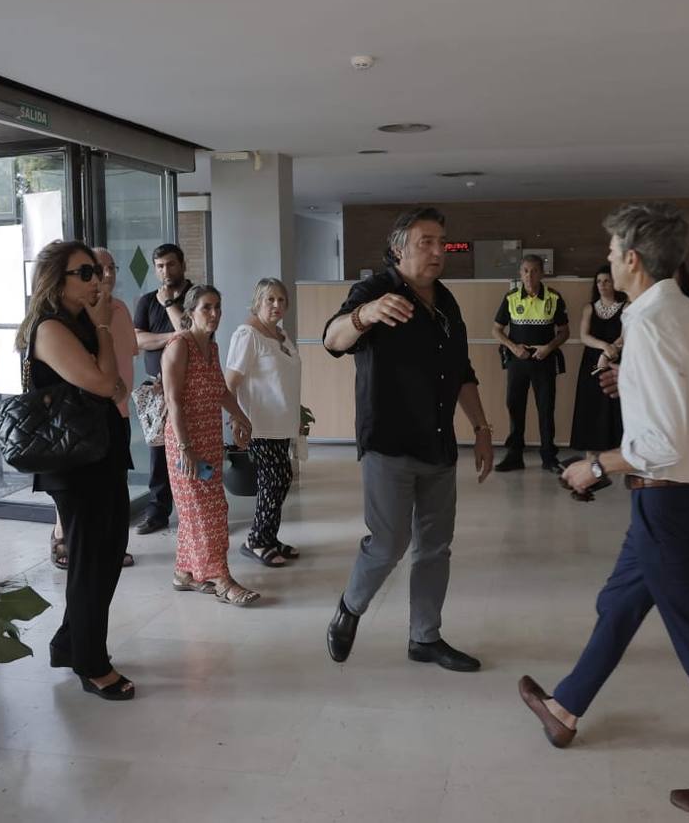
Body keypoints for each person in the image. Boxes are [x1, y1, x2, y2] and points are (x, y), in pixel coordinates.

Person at [526, 202, 689, 820]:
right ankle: (564, 709)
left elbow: (658, 444)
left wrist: (595, 465)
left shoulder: (654, 324)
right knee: (620, 603)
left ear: (632, 259)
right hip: (683, 496)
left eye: (612, 252)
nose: (608, 260)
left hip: (663, 497)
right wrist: (629, 383)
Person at [322, 207, 494, 672]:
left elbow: (462, 372)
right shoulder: (376, 290)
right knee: (388, 543)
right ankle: (350, 607)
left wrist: (480, 428)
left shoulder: (447, 301)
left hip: (438, 443)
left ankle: (425, 637)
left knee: (435, 546)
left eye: (442, 241)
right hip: (390, 442)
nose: (439, 251)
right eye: (426, 241)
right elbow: (332, 339)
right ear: (399, 248)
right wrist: (365, 314)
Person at [18, 240, 134, 699]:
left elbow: (115, 385)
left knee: (108, 554)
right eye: (84, 273)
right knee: (92, 562)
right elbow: (107, 382)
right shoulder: (51, 328)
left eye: (97, 272)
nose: (96, 280)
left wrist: (101, 343)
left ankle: (69, 642)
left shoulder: (81, 323)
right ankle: (91, 662)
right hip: (76, 462)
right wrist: (104, 329)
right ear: (56, 279)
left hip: (101, 451)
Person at [163, 285, 257, 605]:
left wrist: (241, 417)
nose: (214, 314)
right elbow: (173, 400)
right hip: (185, 444)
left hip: (210, 439)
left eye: (218, 307)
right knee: (208, 513)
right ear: (190, 312)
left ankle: (184, 573)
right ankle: (220, 578)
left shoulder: (211, 349)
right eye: (207, 308)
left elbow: (220, 391)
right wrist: (186, 447)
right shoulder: (180, 346)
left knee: (200, 511)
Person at [51, 246, 137, 570]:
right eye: (92, 272)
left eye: (109, 268)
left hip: (119, 412)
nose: (105, 276)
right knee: (82, 508)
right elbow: (101, 382)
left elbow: (128, 358)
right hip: (83, 425)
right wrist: (100, 327)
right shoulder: (68, 323)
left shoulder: (120, 310)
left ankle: (111, 547)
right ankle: (63, 537)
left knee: (113, 495)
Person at [225, 278, 303, 566]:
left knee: (280, 481)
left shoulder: (281, 335)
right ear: (257, 301)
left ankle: (268, 536)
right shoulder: (248, 335)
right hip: (259, 423)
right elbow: (230, 382)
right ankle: (256, 540)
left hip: (281, 422)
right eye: (270, 299)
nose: (276, 305)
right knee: (275, 479)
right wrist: (236, 418)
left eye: (281, 300)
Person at [133, 244, 194, 536]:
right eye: (159, 266)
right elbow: (138, 340)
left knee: (191, 447)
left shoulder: (197, 296)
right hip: (156, 388)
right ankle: (158, 511)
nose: (165, 271)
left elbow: (193, 334)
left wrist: (171, 305)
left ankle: (194, 510)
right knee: (158, 451)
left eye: (170, 265)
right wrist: (173, 336)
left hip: (189, 385)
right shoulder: (146, 301)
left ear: (182, 264)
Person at [493, 255, 569, 472]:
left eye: (534, 271)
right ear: (520, 273)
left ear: (542, 273)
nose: (529, 275)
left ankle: (548, 457)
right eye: (525, 271)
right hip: (518, 361)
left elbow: (564, 332)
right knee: (514, 406)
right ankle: (515, 455)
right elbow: (496, 329)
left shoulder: (554, 298)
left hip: (543, 361)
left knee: (546, 409)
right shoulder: (511, 298)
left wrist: (549, 347)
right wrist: (513, 347)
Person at [568, 265, 625, 500]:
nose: (603, 284)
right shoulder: (589, 308)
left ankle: (617, 461)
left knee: (614, 410)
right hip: (592, 361)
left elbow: (626, 333)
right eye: (599, 281)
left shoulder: (627, 306)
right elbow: (584, 336)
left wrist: (612, 351)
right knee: (592, 410)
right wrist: (604, 347)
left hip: (617, 364)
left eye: (607, 280)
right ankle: (591, 462)